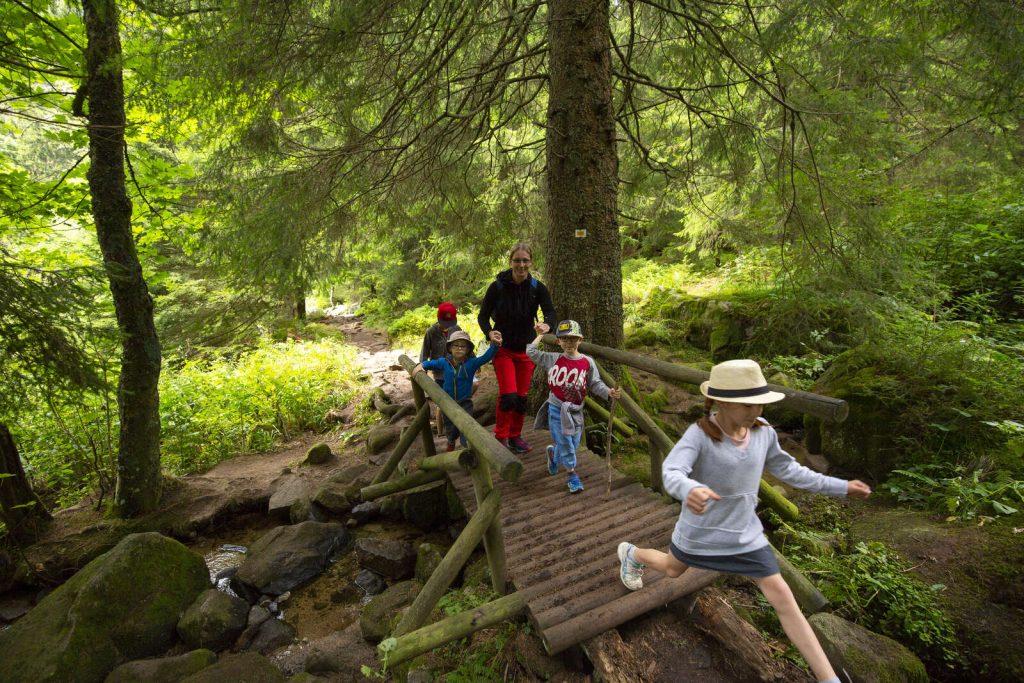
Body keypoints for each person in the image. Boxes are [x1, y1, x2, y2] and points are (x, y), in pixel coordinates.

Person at [617, 359, 872, 683]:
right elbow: (672, 471)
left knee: (782, 597)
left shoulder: (763, 432)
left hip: (745, 535)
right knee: (671, 569)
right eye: (746, 404)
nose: (755, 410)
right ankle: (633, 554)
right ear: (721, 401)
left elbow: (792, 472)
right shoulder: (700, 434)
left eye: (759, 402)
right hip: (700, 533)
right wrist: (690, 488)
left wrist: (842, 487)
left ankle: (828, 679)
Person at [478, 243, 557, 454]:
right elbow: (482, 316)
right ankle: (501, 437)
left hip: (527, 351)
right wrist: (489, 332)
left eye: (525, 261)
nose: (521, 265)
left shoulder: (536, 288)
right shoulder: (497, 287)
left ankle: (515, 436)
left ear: (530, 262)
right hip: (503, 349)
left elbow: (551, 313)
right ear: (510, 262)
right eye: (517, 260)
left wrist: (547, 325)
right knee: (509, 395)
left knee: (522, 397)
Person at [526, 320, 621, 492]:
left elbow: (595, 383)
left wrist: (608, 392)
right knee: (567, 445)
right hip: (556, 408)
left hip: (576, 411)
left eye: (573, 339)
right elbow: (531, 351)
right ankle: (572, 476)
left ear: (580, 340)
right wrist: (540, 334)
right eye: (565, 339)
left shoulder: (587, 362)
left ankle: (554, 456)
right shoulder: (553, 359)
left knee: (573, 444)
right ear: (558, 341)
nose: (569, 343)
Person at [414, 330, 501, 452]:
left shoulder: (472, 363)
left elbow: (486, 357)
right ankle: (450, 442)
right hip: (448, 403)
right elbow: (432, 363)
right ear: (450, 347)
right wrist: (422, 365)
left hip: (465, 403)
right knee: (450, 427)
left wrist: (495, 344)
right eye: (456, 345)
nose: (459, 348)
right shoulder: (444, 362)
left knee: (467, 428)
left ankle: (467, 450)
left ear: (468, 349)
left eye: (463, 346)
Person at [421, 302, 461, 433]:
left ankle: (456, 426)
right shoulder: (431, 332)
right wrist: (423, 373)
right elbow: (424, 354)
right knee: (441, 403)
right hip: (439, 373)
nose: (447, 326)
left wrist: (473, 359)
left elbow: (464, 344)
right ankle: (440, 432)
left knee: (458, 397)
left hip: (456, 370)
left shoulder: (456, 329)